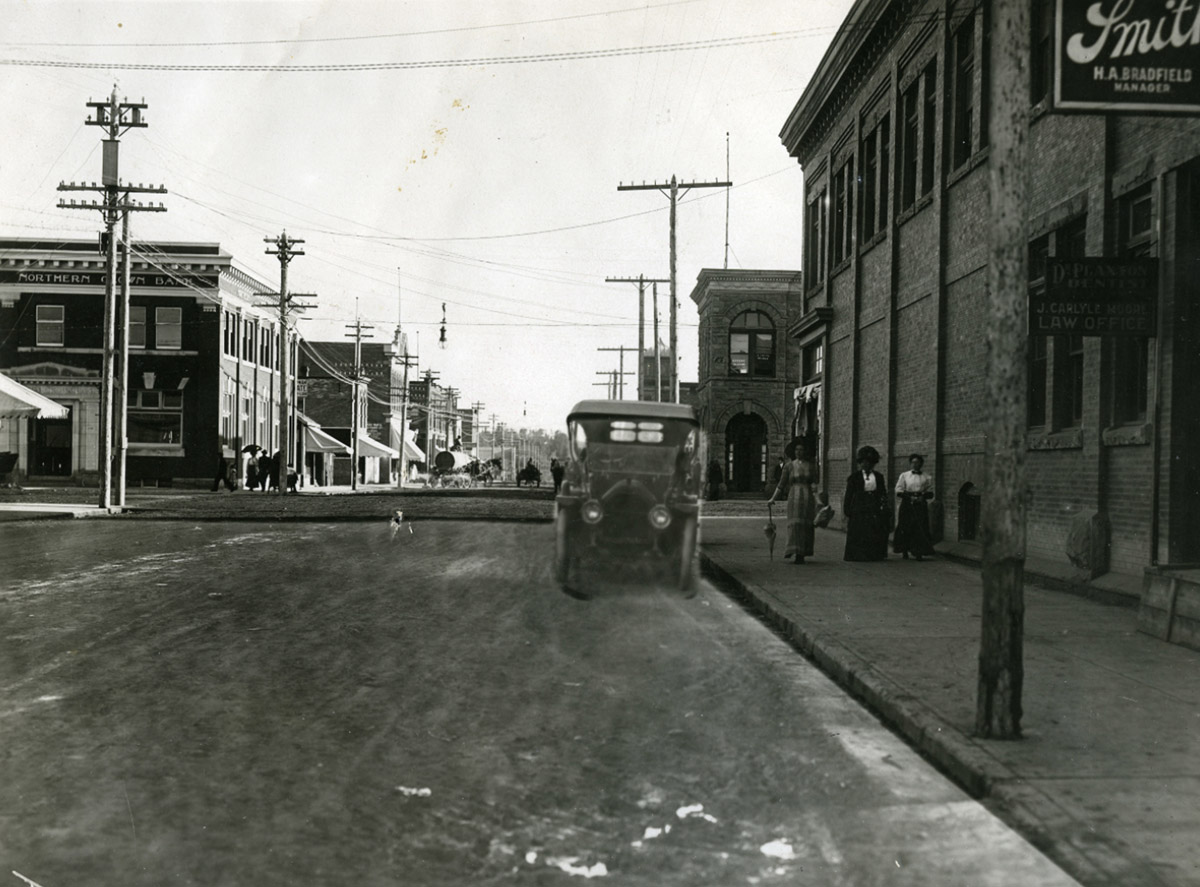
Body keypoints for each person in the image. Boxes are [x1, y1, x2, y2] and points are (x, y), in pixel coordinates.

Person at [766, 439, 819, 564]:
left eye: (801, 450)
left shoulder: (810, 466)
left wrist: (817, 497)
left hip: (807, 497)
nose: (799, 452)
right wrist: (773, 498)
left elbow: (815, 482)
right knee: (795, 523)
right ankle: (794, 551)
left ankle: (803, 553)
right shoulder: (789, 466)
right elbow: (781, 484)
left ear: (805, 451)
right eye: (797, 450)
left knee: (806, 523)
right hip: (794, 496)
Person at [843, 445, 890, 561]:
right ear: (860, 463)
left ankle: (874, 554)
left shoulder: (878, 477)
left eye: (869, 462)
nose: (866, 465)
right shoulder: (854, 477)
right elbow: (849, 494)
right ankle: (858, 555)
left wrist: (883, 504)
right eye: (863, 462)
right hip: (859, 506)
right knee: (859, 531)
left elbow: (882, 492)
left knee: (874, 530)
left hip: (873, 506)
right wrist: (847, 509)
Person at [893, 453, 935, 560]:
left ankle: (918, 552)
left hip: (920, 503)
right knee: (905, 525)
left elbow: (930, 491)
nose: (915, 465)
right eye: (913, 462)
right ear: (910, 463)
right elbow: (899, 490)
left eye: (918, 462)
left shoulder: (927, 476)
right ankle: (904, 551)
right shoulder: (904, 475)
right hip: (907, 503)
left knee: (919, 526)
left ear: (921, 464)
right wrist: (908, 497)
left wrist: (923, 497)